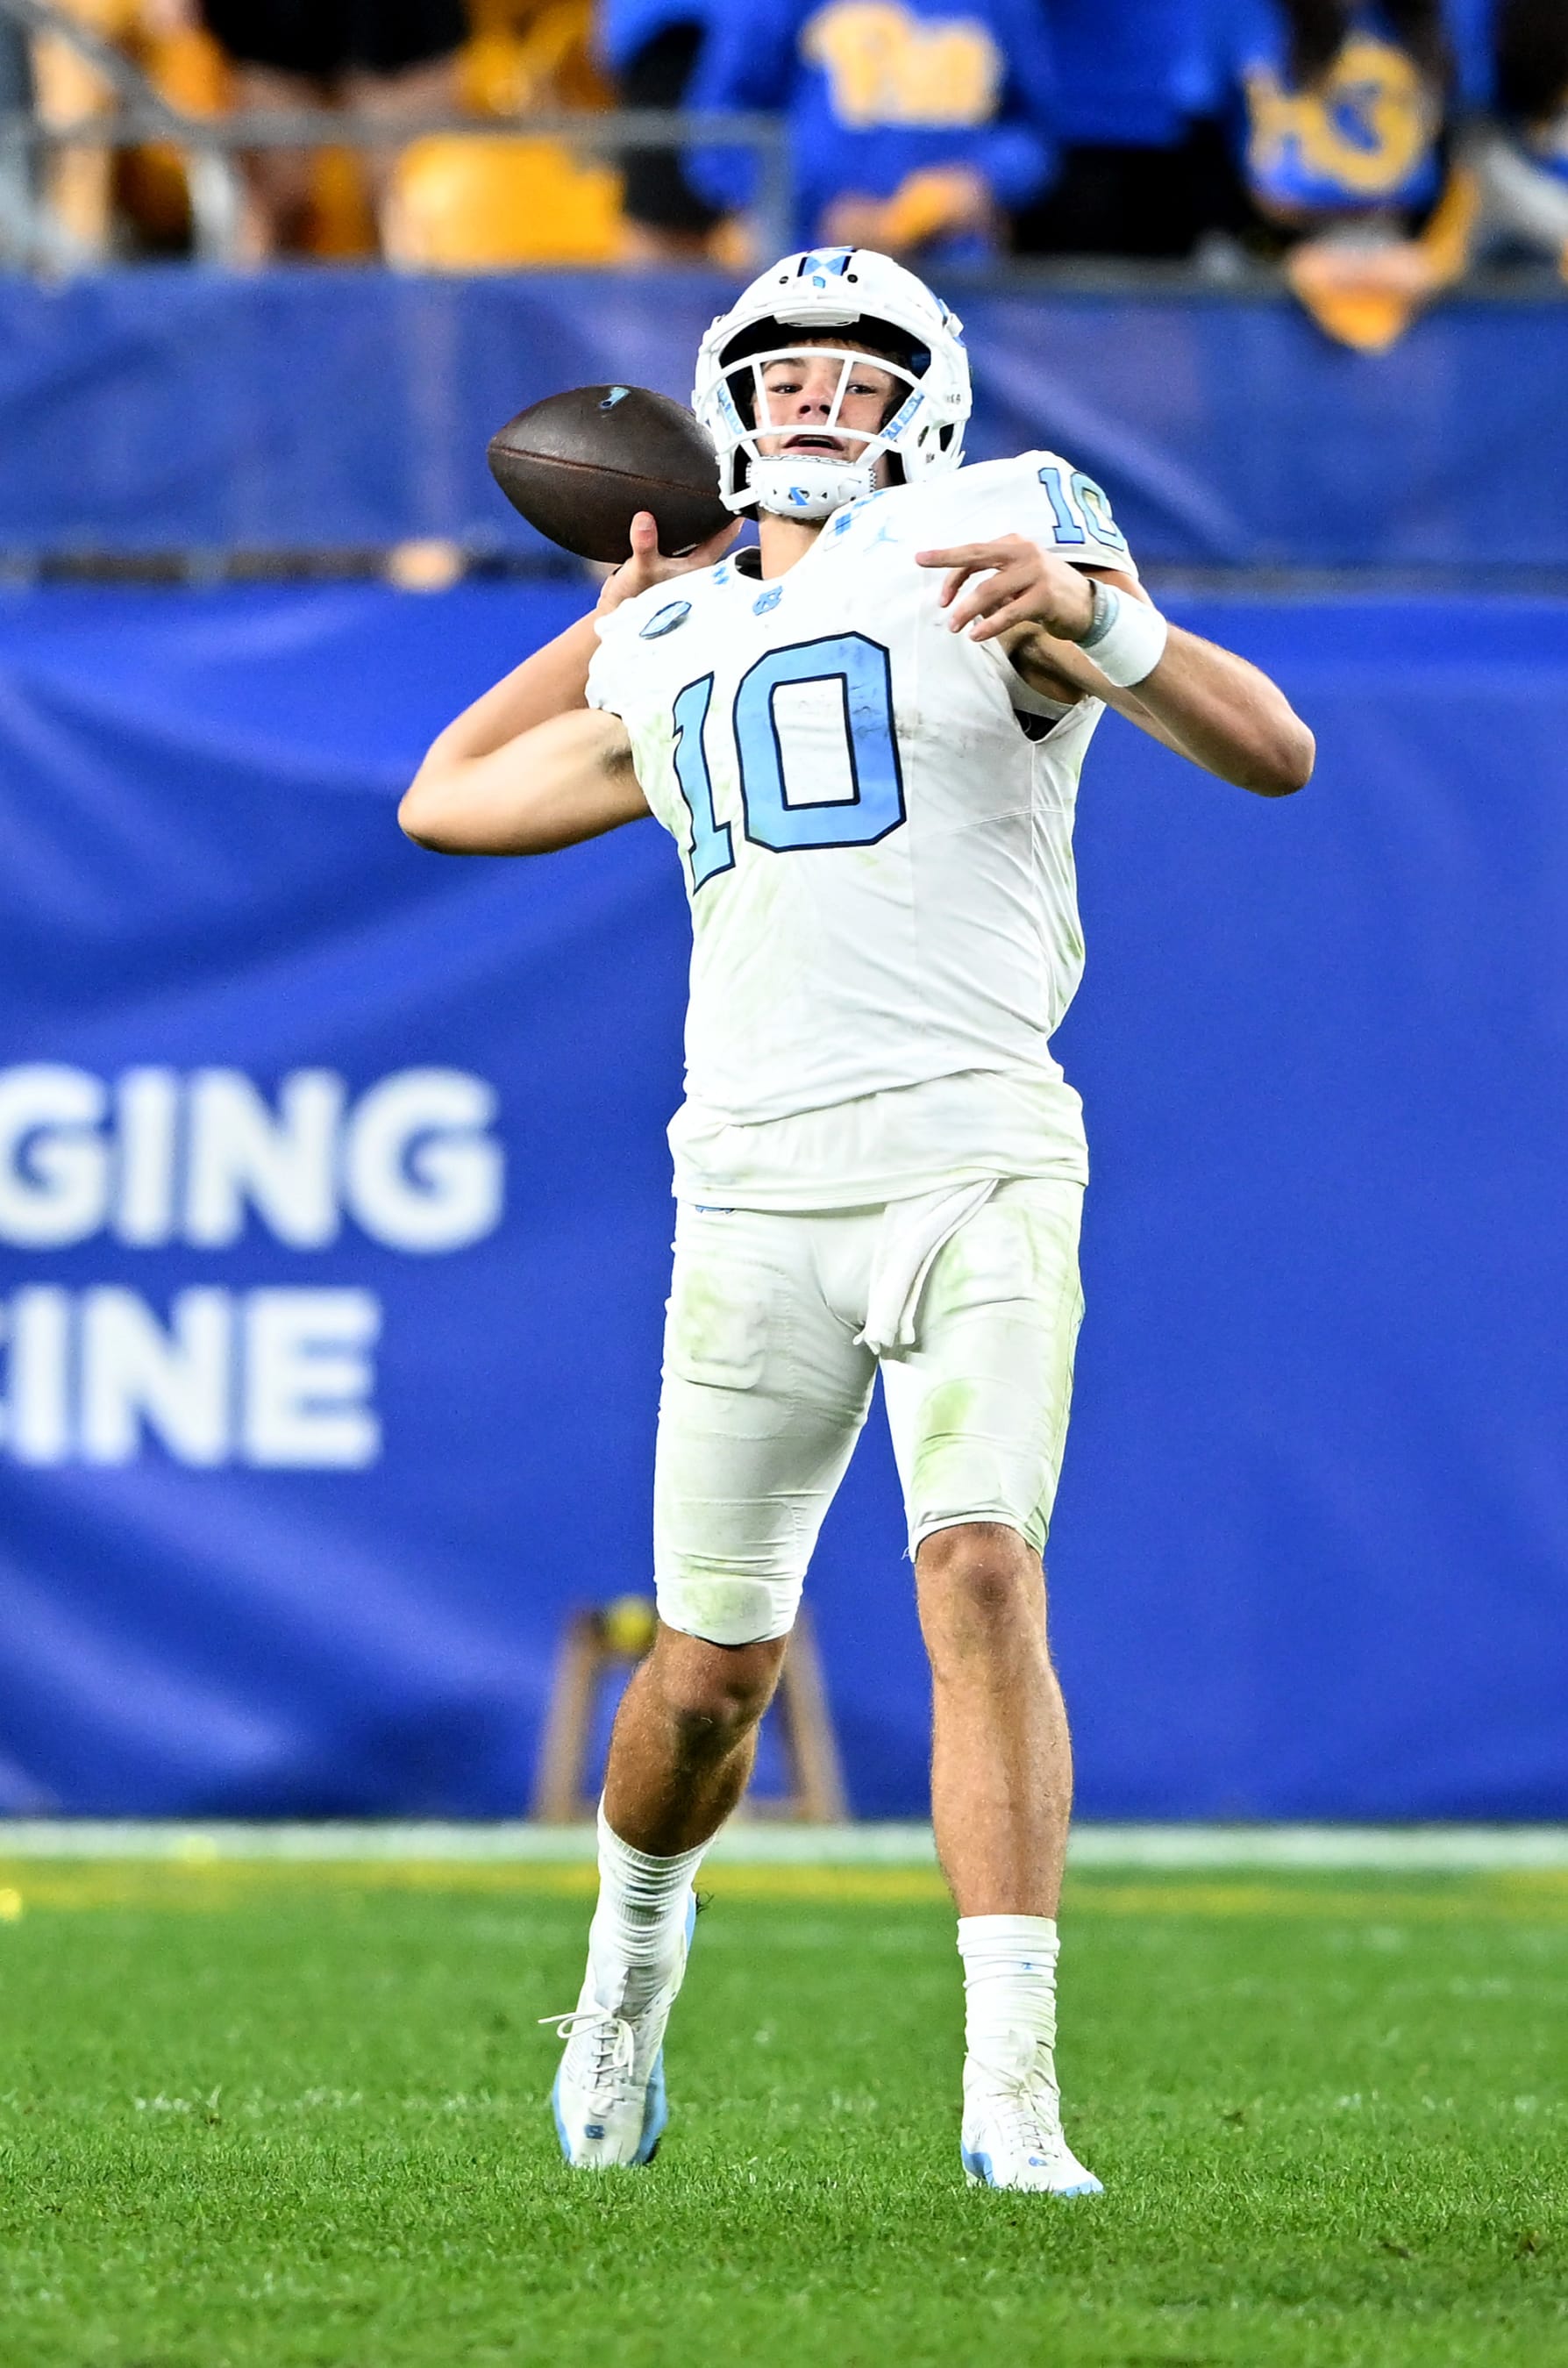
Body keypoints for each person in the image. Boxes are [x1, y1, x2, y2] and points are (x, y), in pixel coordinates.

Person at [399, 246, 1315, 2193]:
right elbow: (446, 798)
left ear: (930, 398)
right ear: (729, 398)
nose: (825, 386)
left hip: (979, 1146)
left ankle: (1013, 2097)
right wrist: (611, 619)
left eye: (866, 362)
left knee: (981, 1573)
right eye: (789, 362)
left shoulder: (1006, 530)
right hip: (748, 1181)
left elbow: (1273, 750)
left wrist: (1101, 628)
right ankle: (631, 1978)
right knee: (712, 1671)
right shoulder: (664, 644)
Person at [686, 0, 1059, 262]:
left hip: (954, 278)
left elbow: (1034, 130)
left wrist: (983, 181)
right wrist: (814, 206)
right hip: (811, 271)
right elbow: (719, 129)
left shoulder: (1004, 7)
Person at [182, 0, 469, 257]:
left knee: (409, 204)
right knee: (273, 202)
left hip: (404, 24)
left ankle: (414, 315)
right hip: (273, 23)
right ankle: (254, 313)